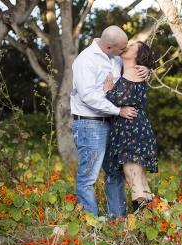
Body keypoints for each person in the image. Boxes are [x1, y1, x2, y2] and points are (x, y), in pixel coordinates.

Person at [69, 26, 148, 219]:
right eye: (122, 49)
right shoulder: (85, 60)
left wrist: (146, 70)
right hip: (90, 124)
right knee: (88, 177)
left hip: (114, 124)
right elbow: (87, 95)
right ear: (109, 46)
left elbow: (132, 72)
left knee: (115, 174)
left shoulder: (116, 55)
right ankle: (90, 225)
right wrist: (118, 110)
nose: (124, 52)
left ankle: (117, 220)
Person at [104, 41, 158, 213]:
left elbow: (117, 99)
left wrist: (107, 91)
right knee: (140, 180)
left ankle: (143, 227)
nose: (128, 46)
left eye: (133, 45)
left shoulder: (132, 71)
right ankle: (151, 223)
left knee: (133, 179)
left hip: (131, 129)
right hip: (136, 127)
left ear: (138, 55)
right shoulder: (131, 71)